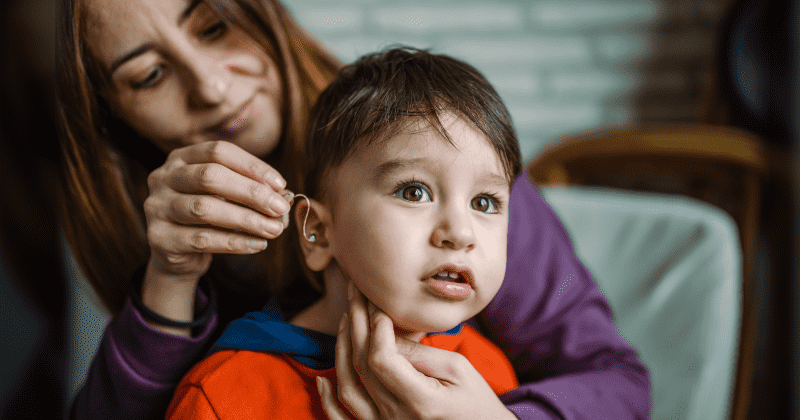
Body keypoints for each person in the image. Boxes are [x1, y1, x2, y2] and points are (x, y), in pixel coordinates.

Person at [57, 0, 651, 418]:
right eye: (150, 74)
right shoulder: (222, 385)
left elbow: (617, 381)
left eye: (214, 27)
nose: (210, 87)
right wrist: (169, 280)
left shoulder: (451, 147)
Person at [167, 46, 523, 419]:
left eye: (484, 202)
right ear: (318, 231)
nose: (461, 233)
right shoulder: (221, 397)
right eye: (414, 192)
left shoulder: (483, 375)